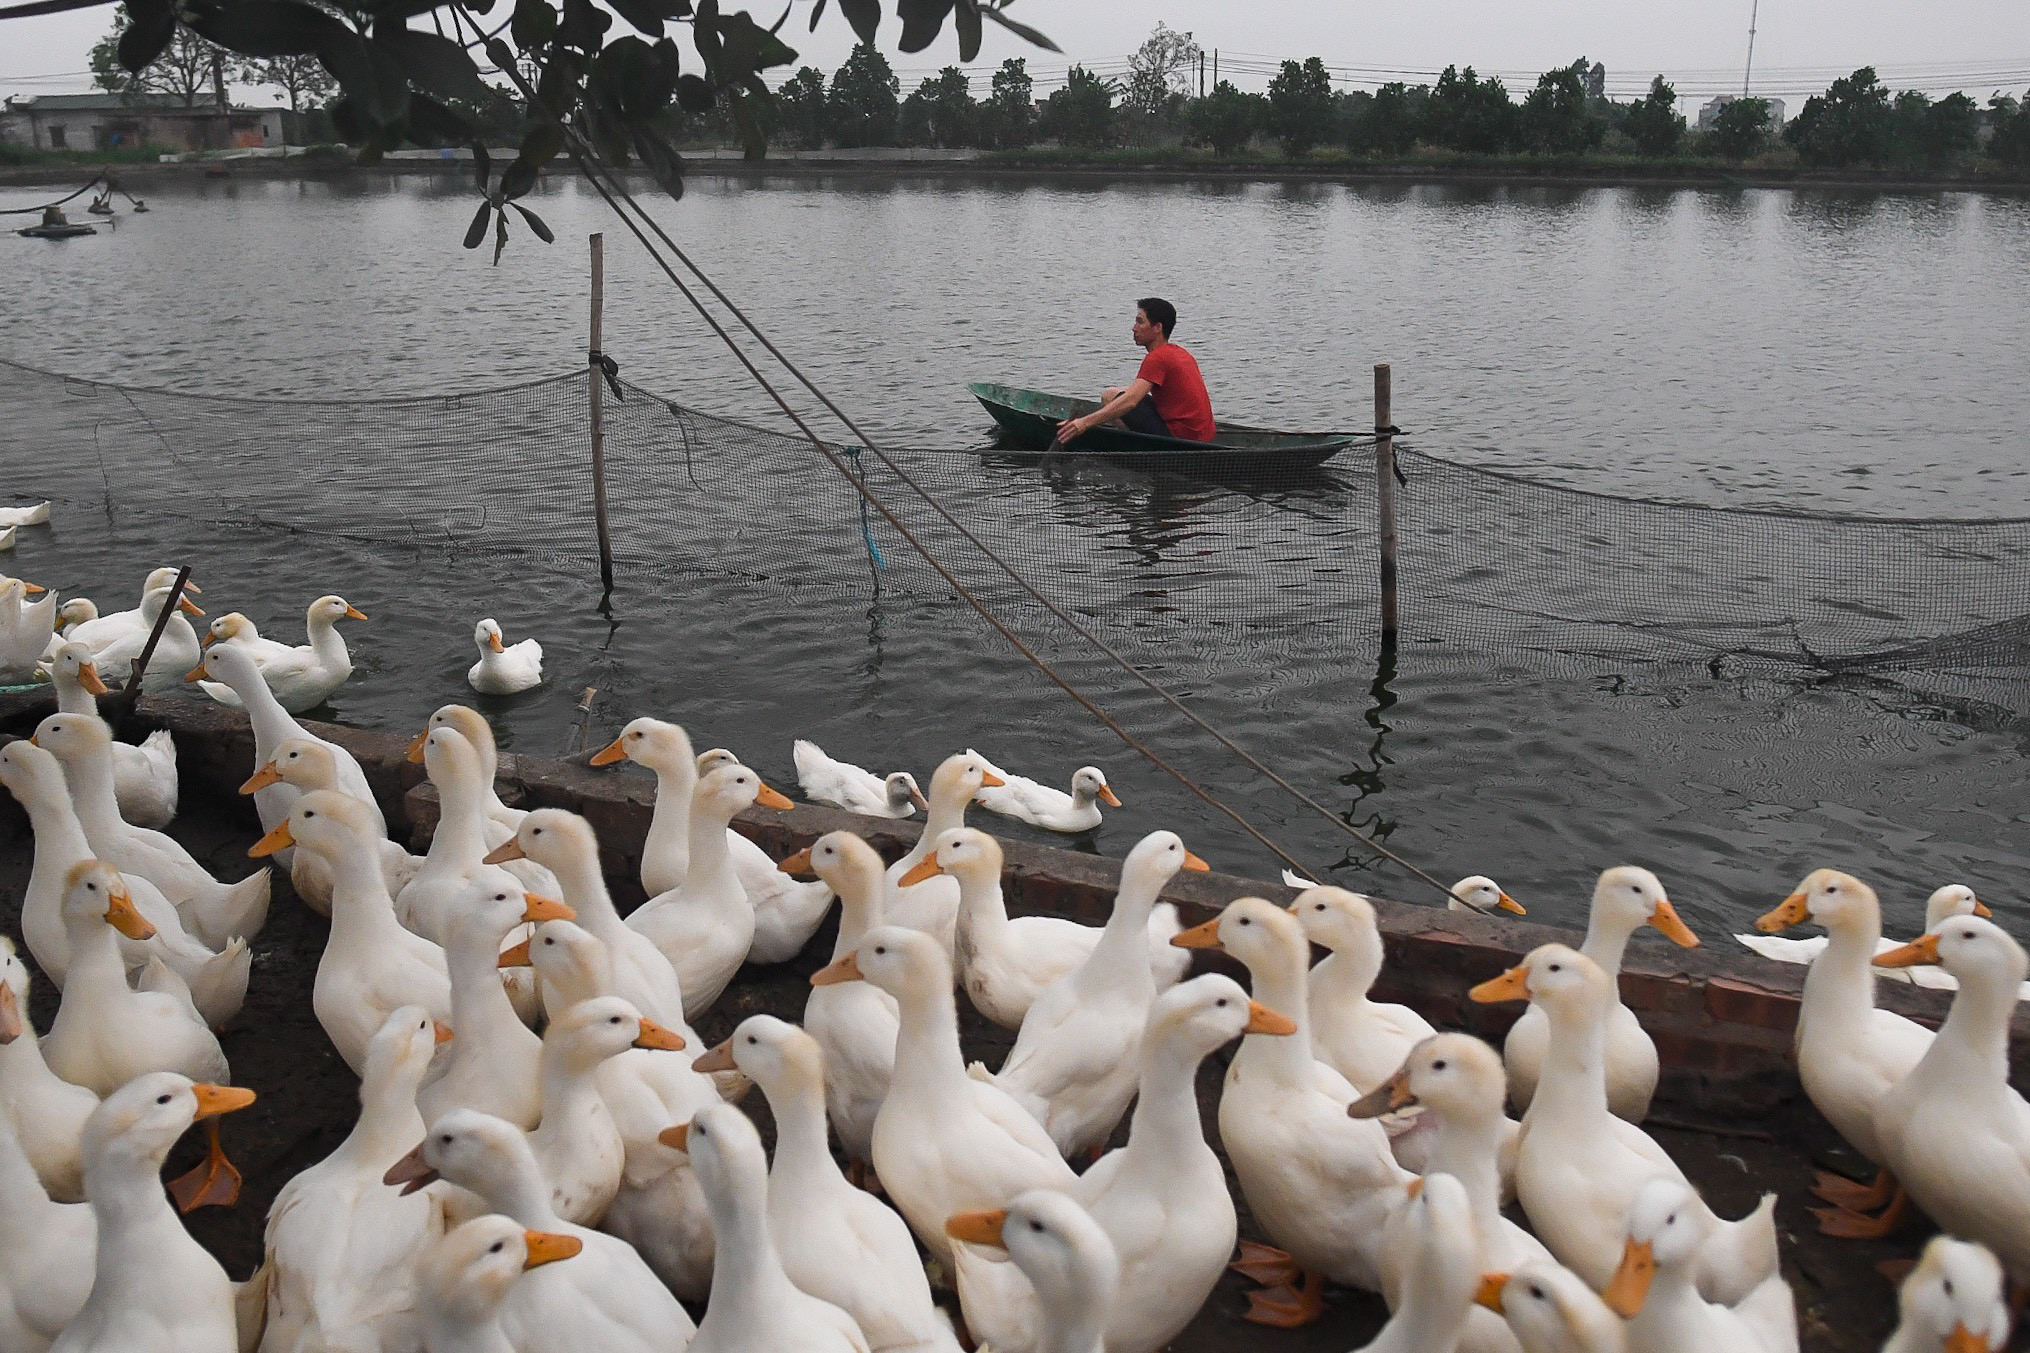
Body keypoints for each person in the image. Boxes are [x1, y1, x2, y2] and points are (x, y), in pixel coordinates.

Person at [1054, 297, 1217, 445]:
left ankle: (1136, 446)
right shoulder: (1180, 352)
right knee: (1117, 393)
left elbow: (1131, 401)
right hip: (1204, 436)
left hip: (1181, 439)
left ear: (1157, 327)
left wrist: (1084, 423)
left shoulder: (1157, 358)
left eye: (1140, 322)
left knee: (1109, 397)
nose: (1134, 328)